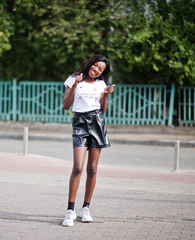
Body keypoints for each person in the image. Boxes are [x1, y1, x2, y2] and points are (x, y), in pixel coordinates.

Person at [62, 54, 115, 227]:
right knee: (78, 167)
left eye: (101, 69)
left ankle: (86, 208)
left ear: (102, 73)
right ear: (90, 63)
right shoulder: (73, 79)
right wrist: (76, 84)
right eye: (96, 66)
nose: (96, 70)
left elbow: (103, 110)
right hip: (80, 123)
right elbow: (66, 105)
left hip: (97, 122)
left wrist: (105, 94)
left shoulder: (101, 84)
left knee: (92, 168)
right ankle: (70, 211)